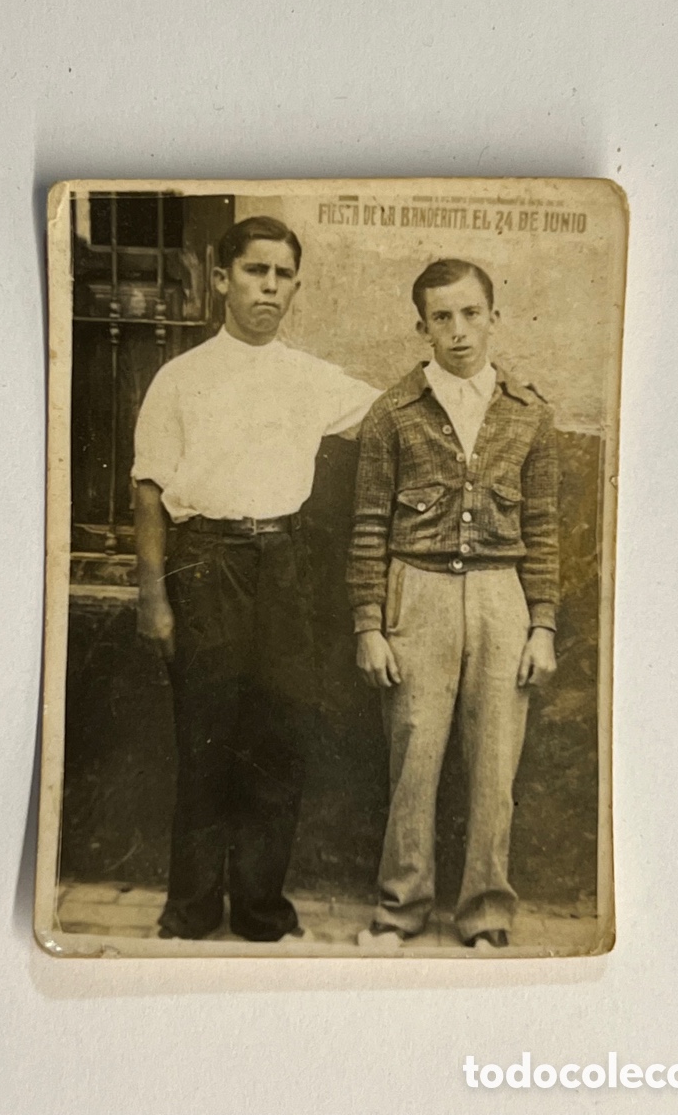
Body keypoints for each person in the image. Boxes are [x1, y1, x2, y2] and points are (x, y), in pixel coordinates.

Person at [132, 215, 379, 942]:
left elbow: (394, 410)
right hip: (207, 565)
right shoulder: (180, 378)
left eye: (282, 275)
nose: (269, 286)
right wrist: (153, 598)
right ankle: (193, 908)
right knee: (206, 740)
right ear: (221, 279)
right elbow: (149, 489)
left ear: (296, 287)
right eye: (254, 271)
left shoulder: (311, 378)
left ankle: (263, 908)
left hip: (288, 567)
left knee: (278, 742)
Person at [346, 258, 559, 951]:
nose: (459, 331)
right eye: (442, 317)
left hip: (503, 596)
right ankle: (400, 909)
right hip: (419, 591)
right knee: (415, 757)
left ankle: (486, 913)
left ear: (494, 317)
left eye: (471, 314)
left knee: (495, 765)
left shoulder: (530, 414)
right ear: (422, 327)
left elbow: (546, 531)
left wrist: (544, 626)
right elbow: (369, 525)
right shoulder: (392, 414)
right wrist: (369, 626)